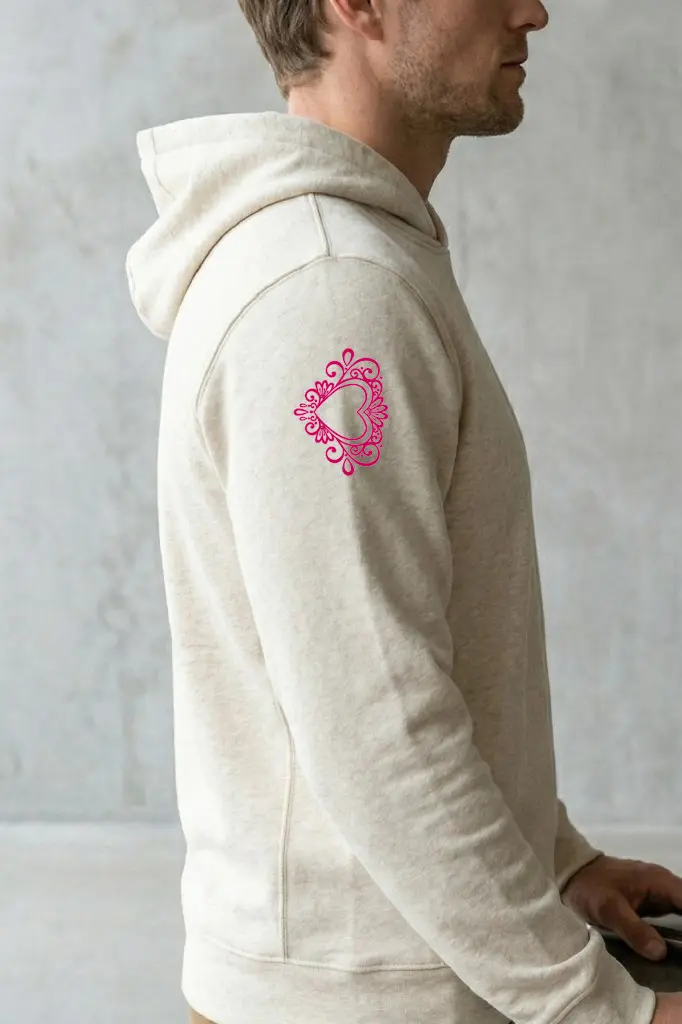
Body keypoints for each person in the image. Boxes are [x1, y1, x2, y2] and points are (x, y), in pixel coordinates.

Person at [125, 0, 682, 1022]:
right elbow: (376, 725)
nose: (533, 11)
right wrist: (601, 1008)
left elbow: (399, 658)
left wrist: (554, 860)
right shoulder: (329, 290)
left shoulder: (355, 257)